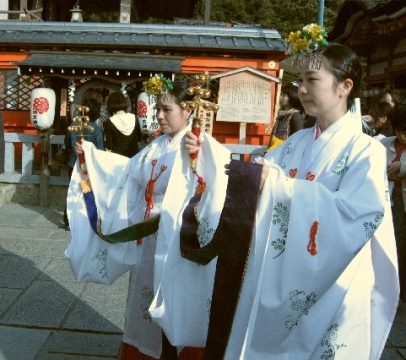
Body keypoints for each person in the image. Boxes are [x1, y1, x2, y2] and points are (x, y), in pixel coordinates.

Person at [184, 31, 398, 358]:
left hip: (335, 284)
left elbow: (360, 217)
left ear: (345, 87)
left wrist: (282, 188)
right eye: (300, 80)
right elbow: (254, 184)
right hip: (281, 272)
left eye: (313, 79)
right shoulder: (294, 144)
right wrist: (210, 157)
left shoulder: (366, 151)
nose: (302, 89)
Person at [65, 79, 231, 359]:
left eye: (167, 109)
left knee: (173, 305)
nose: (160, 115)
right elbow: (127, 171)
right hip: (147, 242)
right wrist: (92, 158)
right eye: (159, 109)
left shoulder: (198, 143)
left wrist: (200, 157)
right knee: (142, 304)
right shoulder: (158, 146)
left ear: (188, 110)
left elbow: (218, 184)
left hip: (176, 244)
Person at [63, 97, 104, 231]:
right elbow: (100, 150)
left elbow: (67, 144)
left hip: (73, 164)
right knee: (88, 191)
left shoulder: (72, 127)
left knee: (73, 191)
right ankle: (88, 218)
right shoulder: (96, 129)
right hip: (89, 167)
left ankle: (68, 220)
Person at [381, 108, 406, 302]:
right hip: (392, 202)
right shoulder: (384, 144)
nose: (402, 135)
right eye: (399, 130)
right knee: (395, 248)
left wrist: (401, 167)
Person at [103, 91, 141, 158]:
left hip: (118, 159)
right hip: (135, 157)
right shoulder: (134, 117)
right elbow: (139, 138)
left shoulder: (109, 122)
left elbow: (109, 145)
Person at [267, 82, 303, 151]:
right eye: (281, 94)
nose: (280, 97)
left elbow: (299, 139)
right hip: (276, 152)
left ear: (292, 97)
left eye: (283, 95)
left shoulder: (295, 116)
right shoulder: (281, 117)